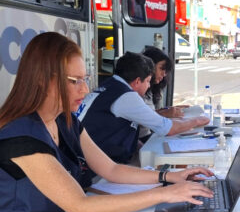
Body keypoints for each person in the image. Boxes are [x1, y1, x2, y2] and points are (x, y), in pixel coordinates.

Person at [0, 32, 214, 212]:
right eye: (75, 81)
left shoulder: (65, 122)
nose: (84, 90)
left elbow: (111, 169)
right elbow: (81, 207)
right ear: (43, 80)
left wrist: (170, 177)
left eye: (85, 80)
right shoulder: (19, 139)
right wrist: (165, 193)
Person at [78, 51, 209, 164]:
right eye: (147, 81)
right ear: (137, 81)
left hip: (94, 156)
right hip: (92, 166)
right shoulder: (126, 96)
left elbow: (125, 132)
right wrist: (197, 120)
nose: (148, 86)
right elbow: (167, 128)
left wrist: (145, 151)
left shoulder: (110, 86)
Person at [139, 46, 189, 142]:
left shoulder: (149, 90)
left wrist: (169, 110)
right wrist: (165, 114)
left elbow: (149, 112)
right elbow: (141, 118)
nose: (164, 74)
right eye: (161, 69)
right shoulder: (136, 90)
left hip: (149, 135)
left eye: (166, 71)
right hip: (141, 139)